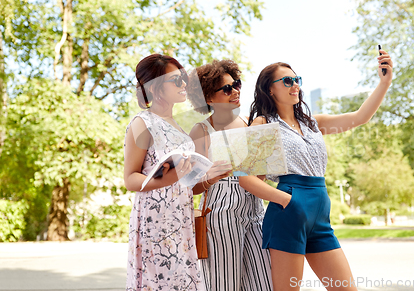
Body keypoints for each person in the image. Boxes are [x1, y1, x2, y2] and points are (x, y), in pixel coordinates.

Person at [239, 50, 393, 291]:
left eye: (297, 80)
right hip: (288, 210)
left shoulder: (313, 122)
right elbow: (246, 178)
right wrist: (287, 200)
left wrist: (384, 83)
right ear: (270, 89)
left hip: (320, 213)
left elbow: (360, 117)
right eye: (287, 81)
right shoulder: (263, 124)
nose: (295, 85)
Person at [123, 54, 229, 291]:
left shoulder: (178, 127)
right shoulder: (143, 123)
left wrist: (210, 177)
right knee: (160, 282)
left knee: (183, 282)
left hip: (181, 218)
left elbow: (186, 184)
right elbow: (130, 178)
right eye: (176, 79)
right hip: (155, 219)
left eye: (183, 78)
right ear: (155, 86)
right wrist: (170, 177)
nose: (184, 84)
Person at [187, 59, 273, 291]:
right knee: (224, 284)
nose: (235, 91)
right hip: (220, 214)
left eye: (236, 84)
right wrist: (210, 178)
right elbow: (190, 187)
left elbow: (258, 176)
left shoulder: (248, 124)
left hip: (255, 210)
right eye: (226, 89)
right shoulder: (202, 130)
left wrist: (265, 162)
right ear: (208, 98)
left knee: (264, 283)